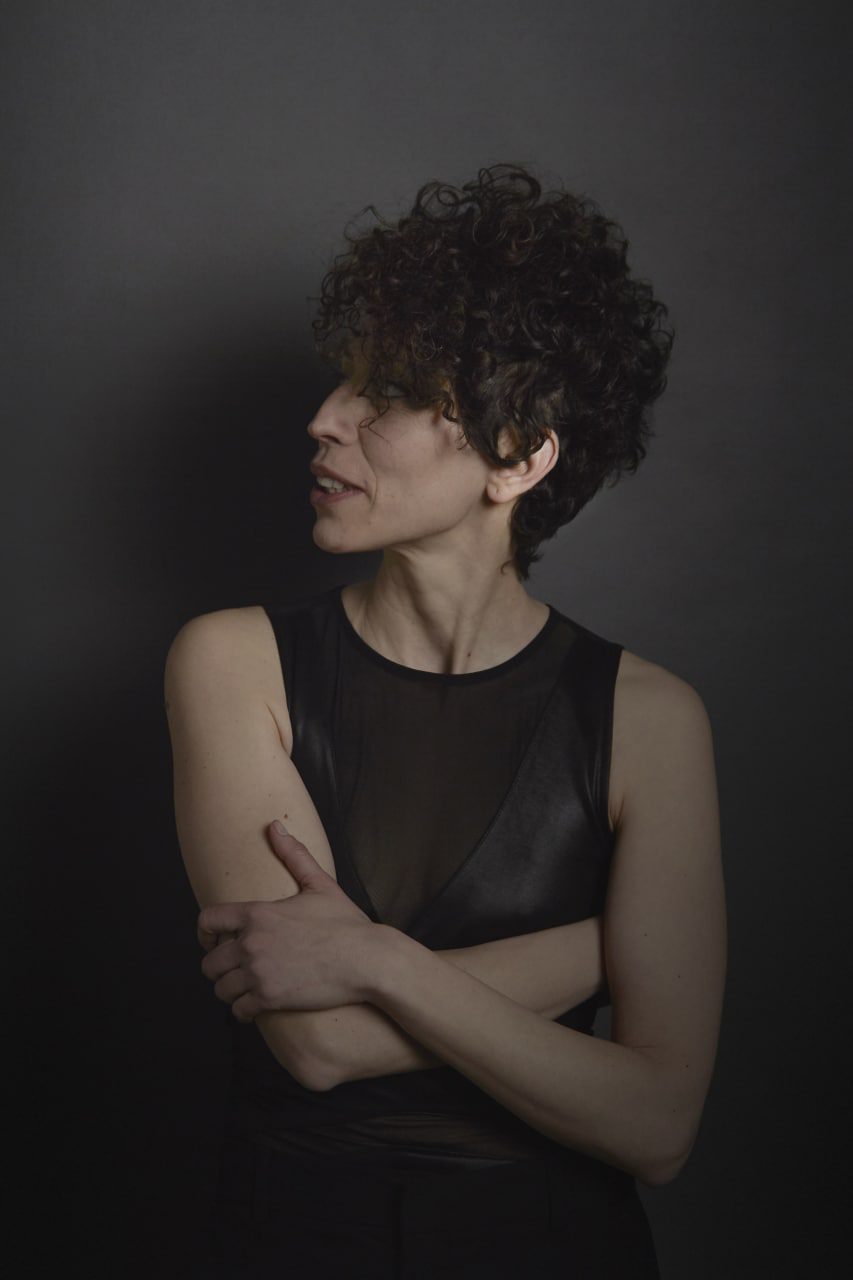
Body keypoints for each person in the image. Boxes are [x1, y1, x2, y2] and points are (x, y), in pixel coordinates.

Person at [164, 162, 726, 1277]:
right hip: (297, 1246)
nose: (324, 419)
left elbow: (659, 1126)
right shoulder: (232, 660)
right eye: (342, 382)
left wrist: (377, 959)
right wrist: (608, 950)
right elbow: (317, 1041)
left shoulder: (652, 719)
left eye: (387, 392)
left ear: (519, 455)